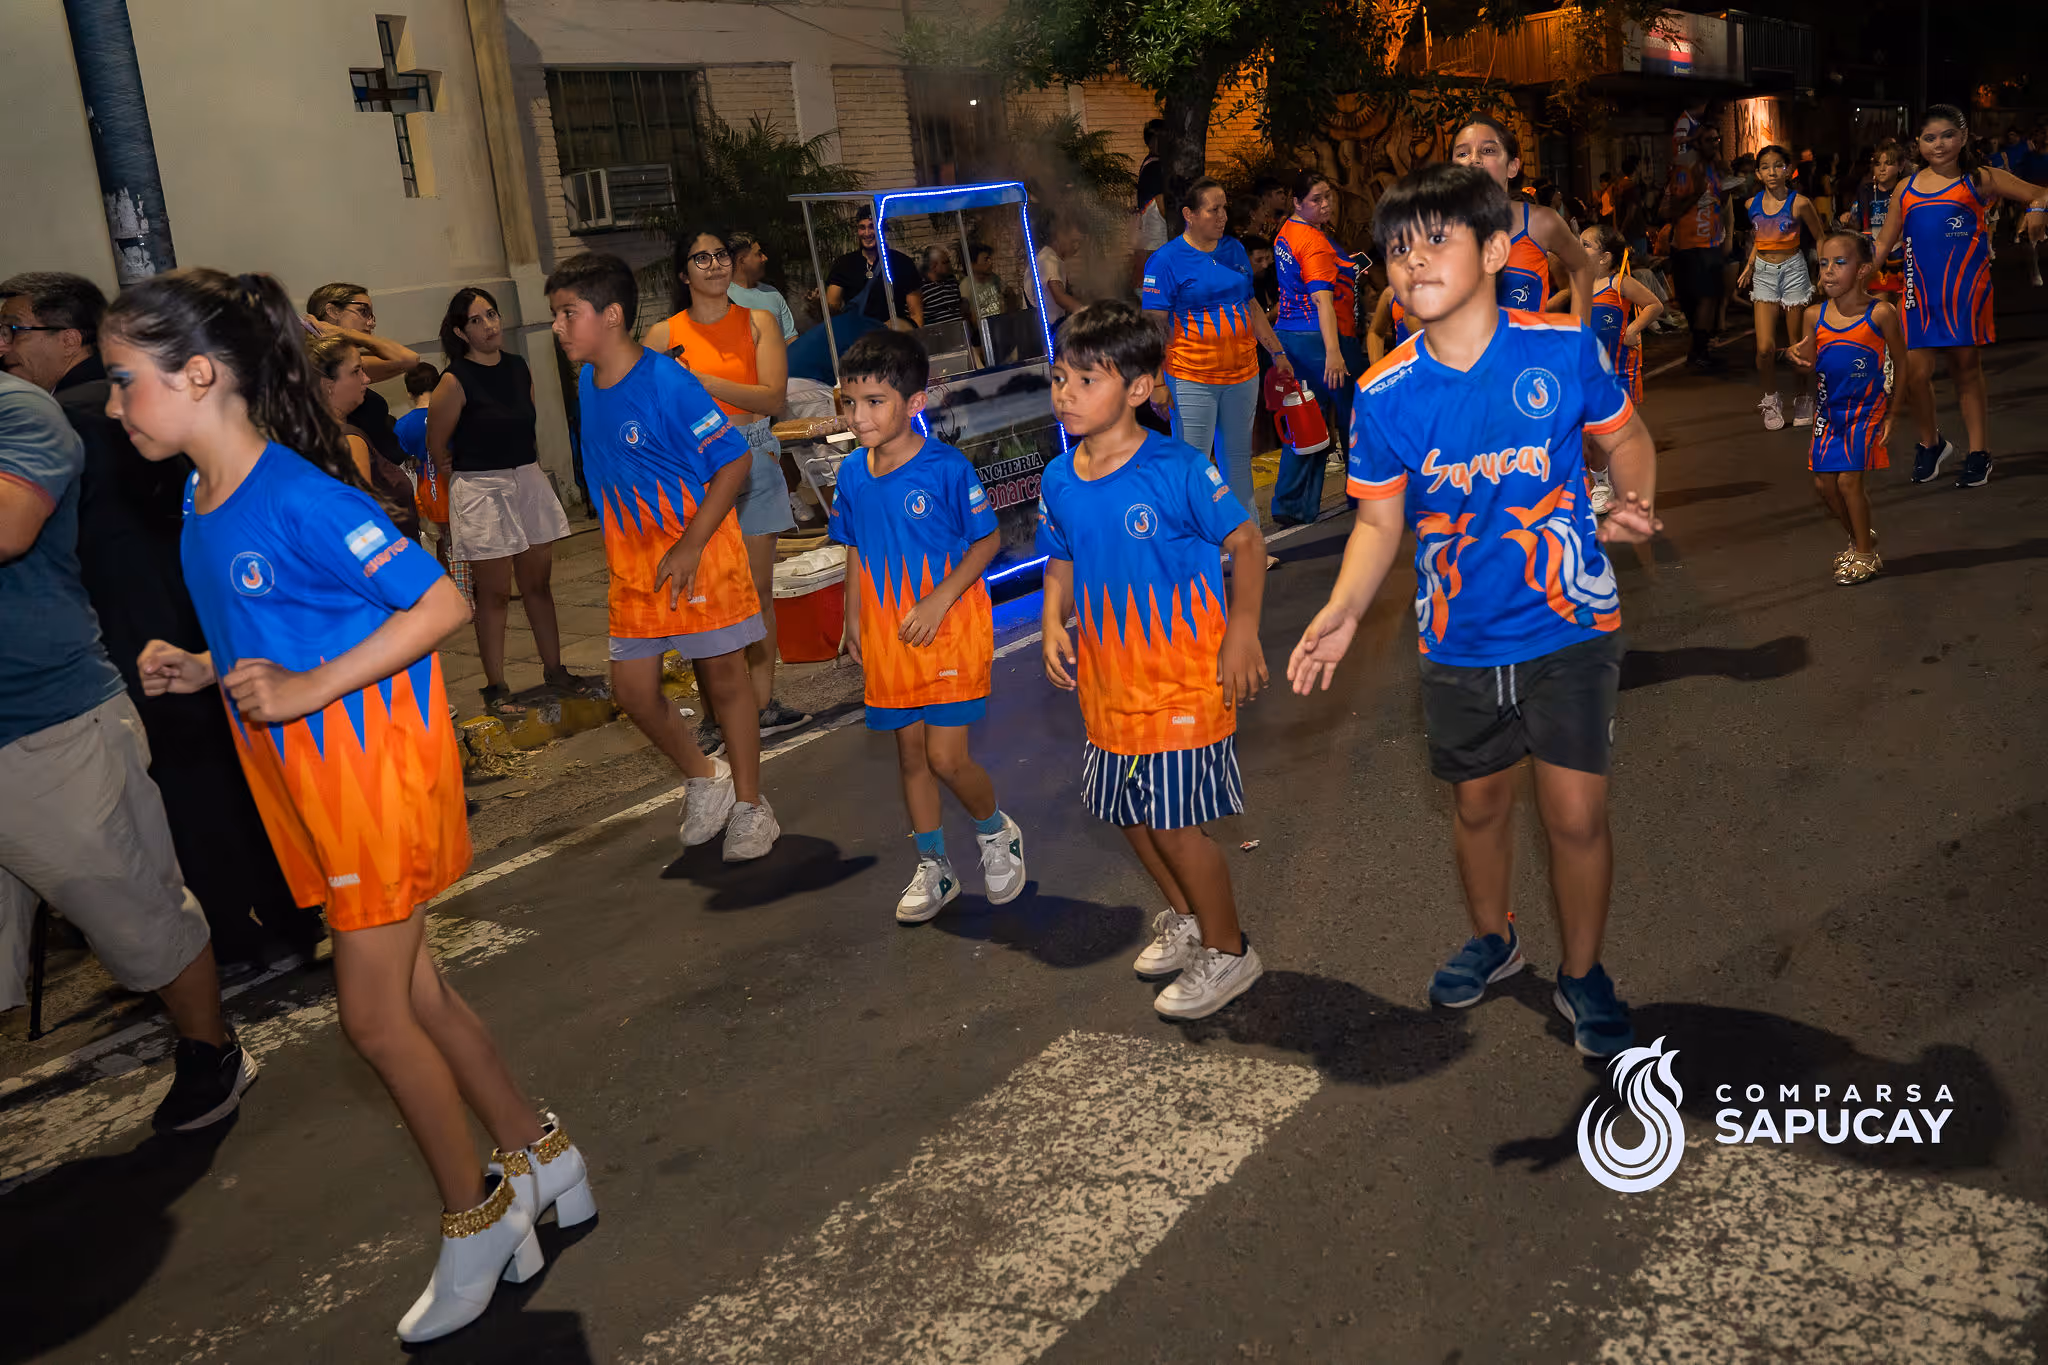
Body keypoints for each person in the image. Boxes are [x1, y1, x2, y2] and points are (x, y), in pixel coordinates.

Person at [110, 268, 589, 1341]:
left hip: (370, 783)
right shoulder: (202, 495)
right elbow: (288, 631)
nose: (112, 403)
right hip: (311, 790)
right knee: (417, 1003)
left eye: (122, 380)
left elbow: (442, 601)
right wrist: (204, 664)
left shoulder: (295, 492)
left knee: (373, 1021)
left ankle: (479, 1215)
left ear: (197, 376)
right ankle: (545, 1157)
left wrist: (306, 690)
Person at [1287, 163, 1663, 1059]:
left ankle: (1583, 973)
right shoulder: (1383, 394)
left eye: (1434, 241)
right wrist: (1343, 607)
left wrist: (1630, 497)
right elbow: (1380, 522)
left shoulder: (1565, 347)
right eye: (1394, 250)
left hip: (1569, 622)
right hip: (1457, 637)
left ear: (1496, 249)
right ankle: (1495, 939)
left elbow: (1627, 437)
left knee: (1574, 814)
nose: (1410, 263)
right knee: (1481, 807)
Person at [1, 270, 321, 971]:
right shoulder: (113, 414)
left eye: (16, 328)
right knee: (225, 765)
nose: (8, 347)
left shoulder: (68, 413)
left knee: (187, 781)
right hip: (183, 607)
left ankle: (236, 932)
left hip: (136, 617)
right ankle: (295, 912)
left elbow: (424, 605)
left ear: (67, 335)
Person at [0, 368, 251, 1131]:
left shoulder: (18, 409)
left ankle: (212, 1049)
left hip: (49, 722)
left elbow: (10, 528)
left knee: (134, 906)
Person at [1037, 300, 1269, 1021]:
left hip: (1183, 681)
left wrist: (1243, 630)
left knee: (1173, 824)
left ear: (1138, 388)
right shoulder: (1058, 477)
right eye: (1059, 378)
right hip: (1108, 687)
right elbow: (1063, 560)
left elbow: (1247, 544)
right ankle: (1190, 918)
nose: (1065, 394)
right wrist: (1051, 621)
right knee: (1131, 816)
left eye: (1084, 380)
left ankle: (1230, 951)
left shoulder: (1179, 468)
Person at [545, 252, 781, 861]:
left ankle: (753, 807)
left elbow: (733, 460)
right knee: (633, 689)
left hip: (698, 554)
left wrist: (692, 542)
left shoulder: (666, 383)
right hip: (636, 568)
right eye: (556, 315)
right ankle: (708, 776)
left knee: (726, 682)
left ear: (612, 315)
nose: (558, 326)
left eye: (569, 313)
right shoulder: (586, 384)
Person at [827, 329, 1023, 921]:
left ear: (914, 403)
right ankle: (934, 867)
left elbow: (989, 539)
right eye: (850, 403)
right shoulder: (852, 475)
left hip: (950, 631)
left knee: (945, 758)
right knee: (910, 756)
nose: (858, 417)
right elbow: (855, 548)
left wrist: (939, 601)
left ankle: (996, 833)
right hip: (890, 638)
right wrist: (853, 618)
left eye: (874, 402)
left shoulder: (944, 467)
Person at [643, 228, 811, 747]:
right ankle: (716, 713)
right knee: (707, 596)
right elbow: (652, 414)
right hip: (694, 472)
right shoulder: (660, 336)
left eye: (719, 256)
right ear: (683, 272)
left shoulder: (757, 322)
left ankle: (762, 703)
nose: (714, 265)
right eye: (701, 258)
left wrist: (707, 385)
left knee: (756, 590)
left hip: (753, 457)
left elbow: (774, 399)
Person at [427, 286, 590, 719]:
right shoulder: (454, 380)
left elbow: (528, 423)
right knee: (495, 593)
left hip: (527, 479)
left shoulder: (519, 368)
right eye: (476, 320)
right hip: (481, 486)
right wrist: (467, 481)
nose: (489, 326)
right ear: (461, 332)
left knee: (538, 584)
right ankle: (496, 685)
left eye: (492, 315)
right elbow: (437, 446)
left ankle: (556, 670)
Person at [1872, 104, 2048, 488]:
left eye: (1948, 135)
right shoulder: (1906, 187)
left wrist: (2035, 210)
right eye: (1930, 138)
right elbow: (1885, 241)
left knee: (1966, 371)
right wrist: (1856, 272)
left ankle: (1979, 453)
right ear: (1917, 144)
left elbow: (2039, 192)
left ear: (1964, 137)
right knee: (1915, 375)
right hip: (1917, 294)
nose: (1939, 144)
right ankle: (1930, 444)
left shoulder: (1978, 178)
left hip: (1966, 292)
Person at [1141, 177, 1296, 517]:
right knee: (1195, 466)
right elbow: (1153, 328)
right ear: (1189, 214)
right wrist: (1156, 383)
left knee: (1238, 462)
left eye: (1224, 207)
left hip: (1242, 374)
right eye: (1214, 209)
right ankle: (1199, 554)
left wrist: (1277, 352)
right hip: (1192, 377)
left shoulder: (1234, 250)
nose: (1223, 215)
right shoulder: (1166, 261)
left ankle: (1246, 547)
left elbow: (1251, 306)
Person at [1787, 232, 1904, 586]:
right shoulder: (1813, 315)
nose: (1828, 271)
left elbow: (1902, 362)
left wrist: (1893, 413)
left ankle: (1866, 555)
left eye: (1840, 263)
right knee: (1825, 486)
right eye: (1823, 263)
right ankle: (1860, 537)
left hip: (1866, 410)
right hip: (1829, 412)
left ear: (1863, 270)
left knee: (1849, 481)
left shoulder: (1881, 313)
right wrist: (1797, 360)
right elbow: (1807, 364)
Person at [1549, 226, 1664, 515]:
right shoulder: (1577, 285)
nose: (1578, 247)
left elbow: (1654, 304)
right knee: (1587, 435)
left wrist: (1635, 327)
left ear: (1604, 257)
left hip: (1618, 373)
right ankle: (1600, 481)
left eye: (1585, 245)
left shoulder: (1619, 283)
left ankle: (1612, 481)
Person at [1450, 116, 1594, 319]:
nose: (1474, 159)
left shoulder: (1541, 222)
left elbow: (1582, 266)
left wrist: (1580, 334)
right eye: (1463, 153)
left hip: (1529, 350)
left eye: (1488, 150)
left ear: (1512, 166)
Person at [1272, 171, 1349, 523]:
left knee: (1306, 419)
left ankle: (1298, 506)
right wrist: (1333, 352)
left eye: (1327, 197)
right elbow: (1322, 301)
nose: (1324, 205)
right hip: (1312, 337)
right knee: (1344, 411)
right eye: (1316, 199)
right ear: (1297, 202)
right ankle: (1362, 490)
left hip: (1287, 335)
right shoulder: (1313, 241)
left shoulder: (1285, 233)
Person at [1737, 146, 1831, 431]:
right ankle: (1771, 398)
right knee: (1764, 347)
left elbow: (1820, 237)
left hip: (1793, 270)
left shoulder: (1800, 202)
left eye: (1778, 166)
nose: (1772, 172)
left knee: (1796, 344)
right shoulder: (1749, 203)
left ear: (1789, 170)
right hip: (1764, 274)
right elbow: (1760, 237)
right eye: (1765, 167)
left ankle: (1803, 397)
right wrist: (1751, 265)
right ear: (1758, 173)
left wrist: (1824, 271)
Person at [309, 333, 422, 541]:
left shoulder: (316, 434)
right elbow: (359, 524)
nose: (367, 379)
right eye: (356, 372)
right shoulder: (348, 439)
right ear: (328, 385)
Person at [304, 282, 421, 464]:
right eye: (363, 311)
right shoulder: (327, 363)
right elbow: (409, 359)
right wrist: (345, 333)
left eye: (372, 315)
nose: (371, 322)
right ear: (333, 311)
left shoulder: (349, 361)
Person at [1660, 121, 1735, 371]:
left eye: (1716, 139)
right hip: (1688, 245)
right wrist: (1696, 194)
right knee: (1694, 299)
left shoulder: (1715, 168)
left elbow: (1721, 204)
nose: (1714, 144)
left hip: (1711, 242)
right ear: (1697, 143)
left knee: (1710, 297)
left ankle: (1700, 350)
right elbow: (1671, 210)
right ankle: (1698, 348)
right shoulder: (1685, 170)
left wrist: (1728, 187)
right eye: (1709, 140)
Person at [825, 206, 924, 326]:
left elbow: (916, 315)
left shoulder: (902, 262)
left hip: (893, 336)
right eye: (862, 228)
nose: (867, 233)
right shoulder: (844, 264)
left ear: (882, 228)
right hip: (858, 336)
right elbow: (831, 312)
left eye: (872, 227)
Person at [394, 361, 452, 565]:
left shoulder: (401, 426)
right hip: (456, 486)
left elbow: (402, 464)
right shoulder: (452, 415)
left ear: (409, 393)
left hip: (426, 492)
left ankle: (447, 588)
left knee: (437, 549)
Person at [1841, 139, 1911, 300]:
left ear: (1901, 166)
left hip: (1902, 254)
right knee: (1880, 305)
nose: (1882, 169)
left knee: (1904, 306)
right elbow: (1858, 222)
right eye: (1878, 164)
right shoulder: (1865, 191)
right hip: (1874, 255)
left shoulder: (1907, 191)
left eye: (1888, 163)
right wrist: (1849, 219)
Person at [725, 230, 800, 343]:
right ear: (742, 260)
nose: (765, 258)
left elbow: (791, 340)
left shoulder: (773, 293)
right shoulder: (721, 298)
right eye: (759, 254)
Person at [1037, 211, 1087, 329]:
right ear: (1059, 235)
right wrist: (1088, 314)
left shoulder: (1052, 258)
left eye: (1080, 243)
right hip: (1045, 330)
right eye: (1074, 241)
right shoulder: (1049, 259)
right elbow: (1059, 297)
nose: (1077, 247)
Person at [918, 244, 970, 329]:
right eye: (946, 262)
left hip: (960, 333)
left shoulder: (951, 281)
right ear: (933, 266)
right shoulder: (920, 288)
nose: (950, 265)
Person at [968, 242, 1006, 321]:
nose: (990, 262)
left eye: (990, 259)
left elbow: (1008, 294)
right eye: (986, 259)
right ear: (973, 264)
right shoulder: (967, 286)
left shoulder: (995, 278)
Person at [1246, 175, 1291, 240]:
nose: (1284, 197)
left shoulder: (1280, 219)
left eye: (1284, 193)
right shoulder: (1256, 223)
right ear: (1265, 196)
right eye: (1279, 193)